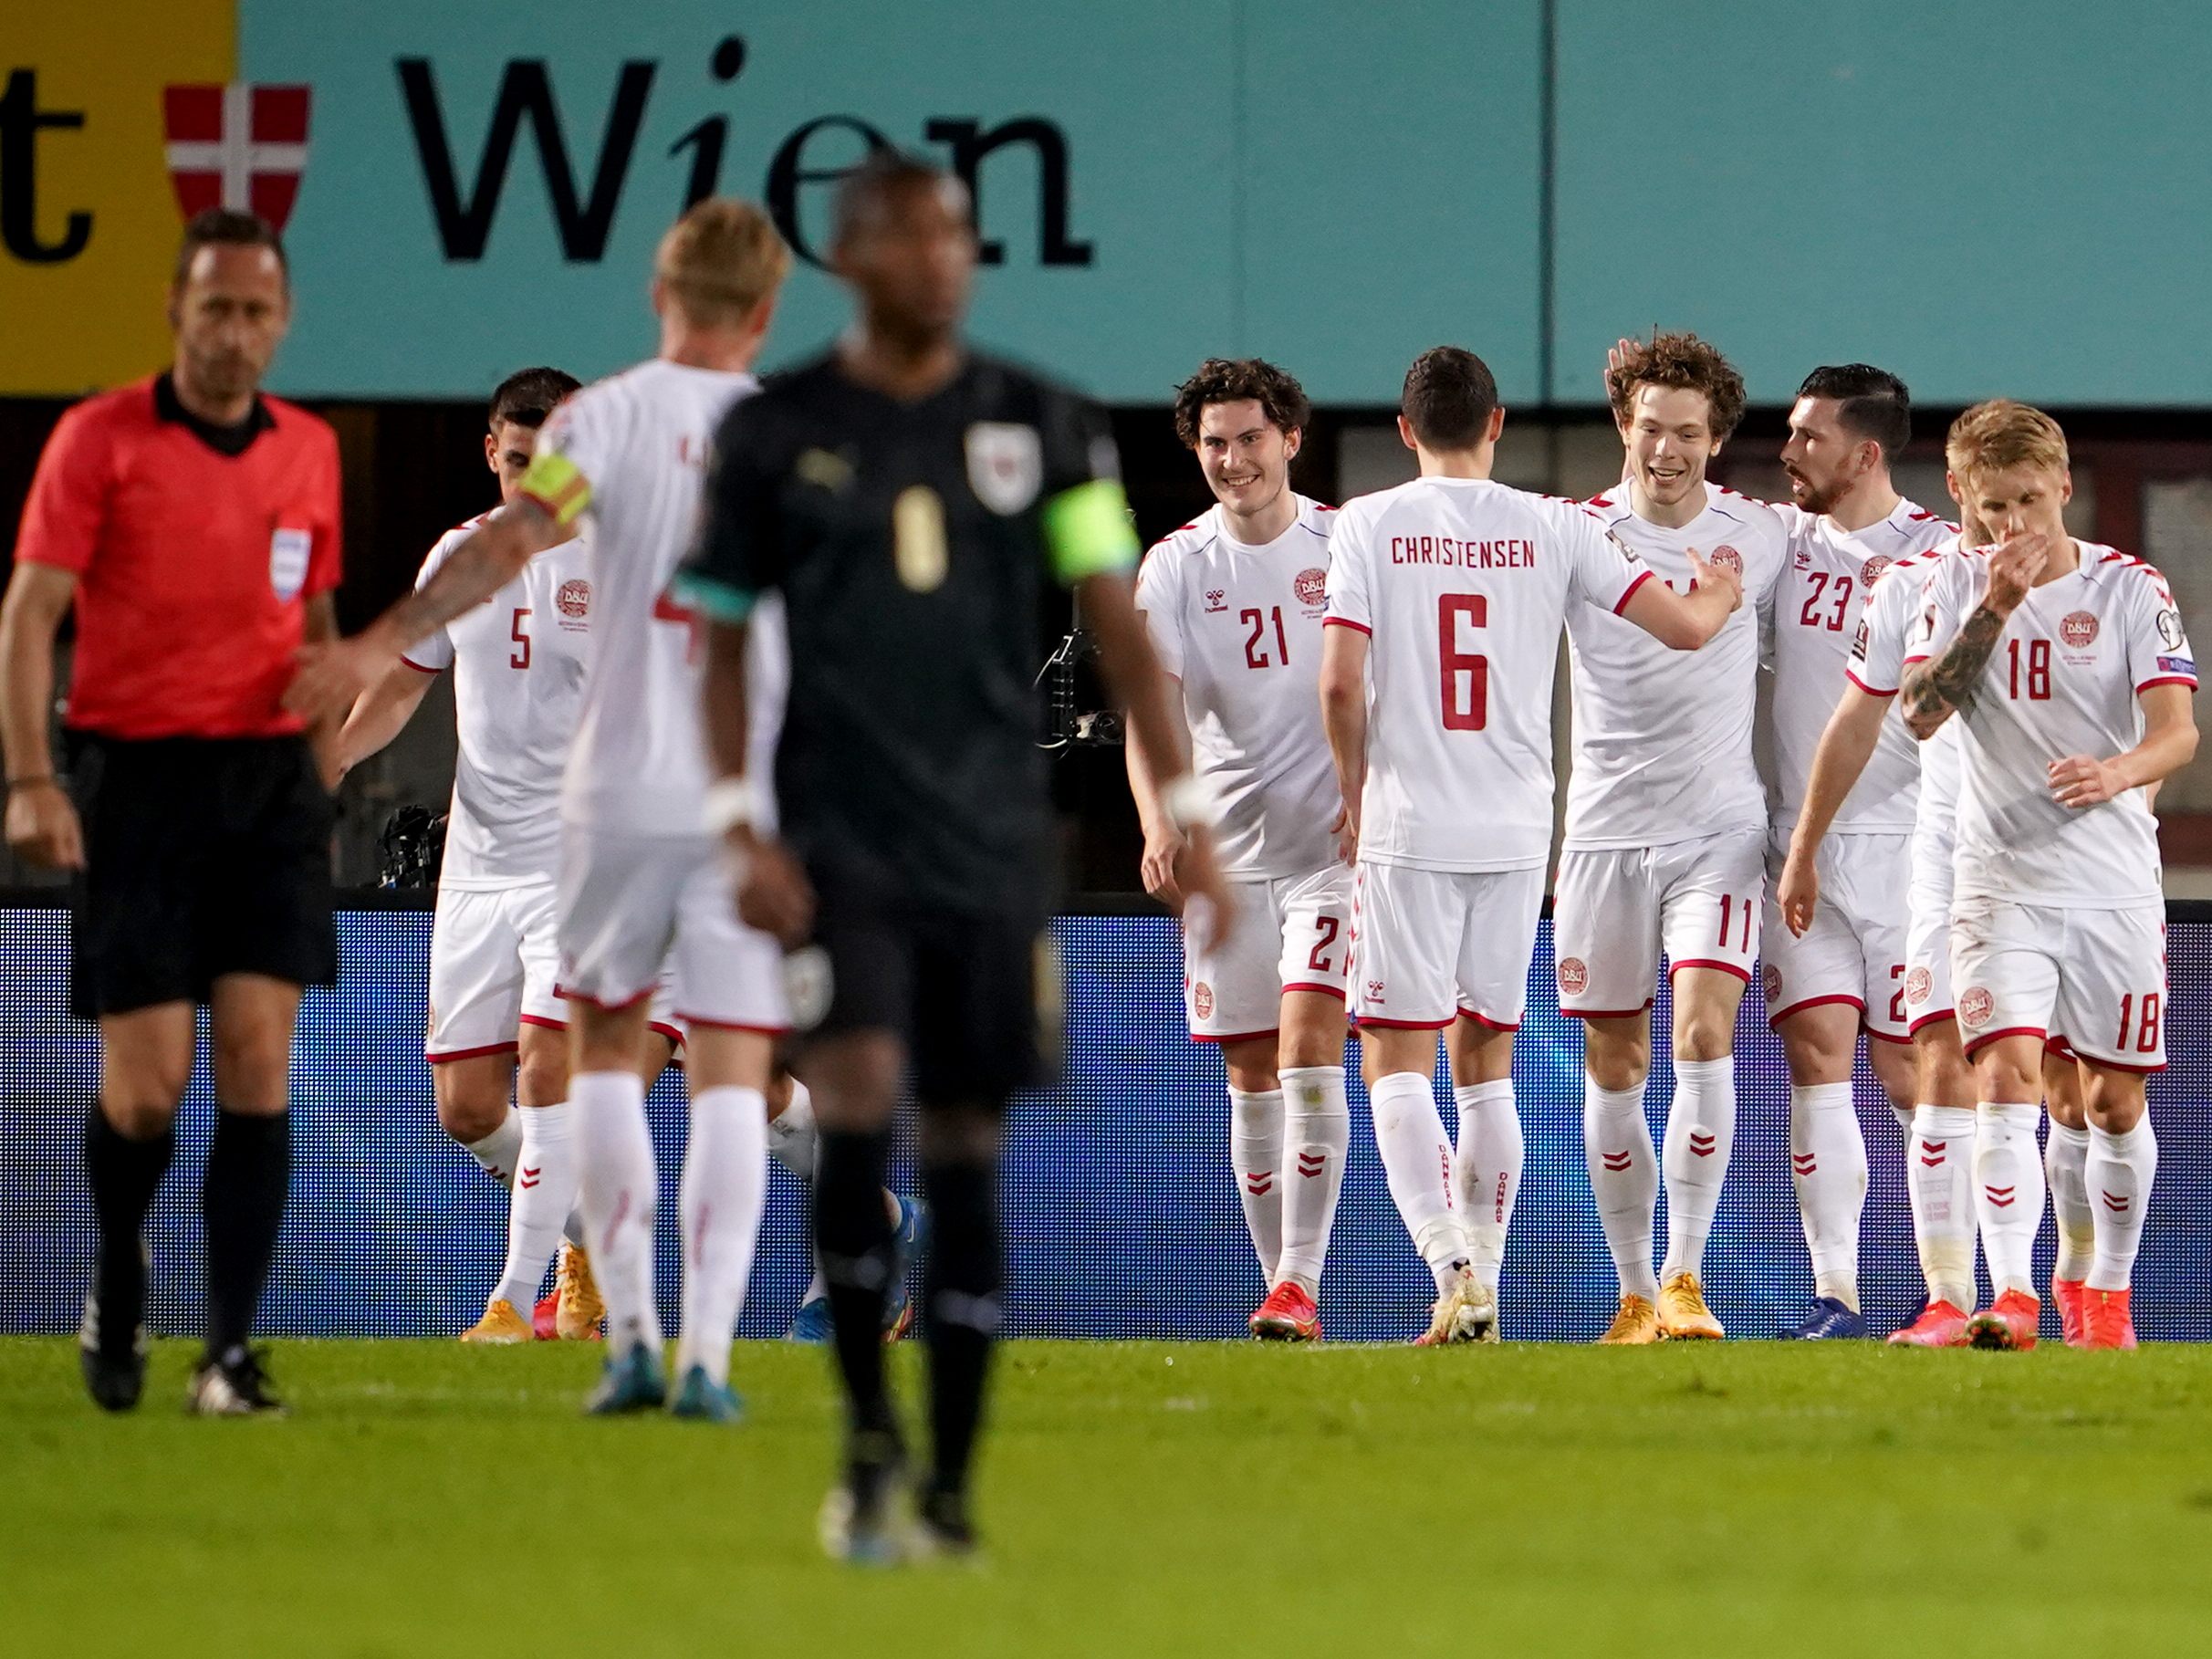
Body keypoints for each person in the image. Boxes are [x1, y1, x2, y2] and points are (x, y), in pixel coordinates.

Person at [672, 151, 1230, 1561]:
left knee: (971, 1143)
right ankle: (867, 1445)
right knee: (857, 1107)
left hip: (990, 844)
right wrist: (738, 817)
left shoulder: (1044, 423)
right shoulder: (773, 433)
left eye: (958, 238)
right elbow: (721, 637)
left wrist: (1190, 813)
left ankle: (956, 1486)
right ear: (851, 256)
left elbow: (1123, 627)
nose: (942, 260)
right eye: (911, 238)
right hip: (833, 838)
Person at [287, 198, 848, 1417]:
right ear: (766, 311)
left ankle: (599, 1322)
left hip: (619, 809)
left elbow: (528, 539)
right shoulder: (781, 425)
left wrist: (365, 642)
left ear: (660, 294)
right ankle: (689, 1353)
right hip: (710, 794)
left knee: (595, 1066)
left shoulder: (616, 423)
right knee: (688, 1073)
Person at [1316, 346, 1740, 1346]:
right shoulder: (1555, 524)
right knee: (1486, 1063)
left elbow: (1338, 684)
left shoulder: (1369, 524)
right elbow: (1683, 628)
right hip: (1517, 828)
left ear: (1406, 429)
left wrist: (1352, 789)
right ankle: (1489, 1285)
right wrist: (1720, 586)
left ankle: (1452, 1265)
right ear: (1497, 425)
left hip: (1411, 823)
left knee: (1394, 1061)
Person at [1, 208, 341, 1414]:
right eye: (215, 309)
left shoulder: (310, 449)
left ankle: (229, 1356)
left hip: (264, 786)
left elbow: (310, 625)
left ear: (282, 321)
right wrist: (32, 779)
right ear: (175, 309)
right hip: (132, 780)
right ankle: (115, 1275)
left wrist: (327, 745)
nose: (234, 333)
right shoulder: (99, 438)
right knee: (146, 1087)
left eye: (256, 312)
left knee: (259, 1060)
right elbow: (31, 611)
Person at [334, 365, 683, 1343]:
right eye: (520, 460)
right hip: (479, 863)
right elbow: (402, 687)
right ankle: (594, 1244)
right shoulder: (461, 557)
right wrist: (327, 758)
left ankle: (506, 1300)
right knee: (467, 1109)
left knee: (547, 1067)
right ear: (494, 453)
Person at [1901, 400, 2195, 1351]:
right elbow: (1917, 713)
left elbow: (2178, 731)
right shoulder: (1950, 584)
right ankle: (2013, 1296)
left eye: (2030, 500)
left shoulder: (2129, 591)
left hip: (2110, 881)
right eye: (1993, 507)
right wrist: (1993, 604)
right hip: (1998, 880)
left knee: (2111, 1102)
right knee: (2007, 1081)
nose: (2013, 525)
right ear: (1962, 498)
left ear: (2064, 488)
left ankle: (2103, 1295)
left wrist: (2116, 772)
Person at [1559, 333, 1786, 1343]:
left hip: (1718, 831)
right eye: (1651, 428)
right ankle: (1634, 1290)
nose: (1666, 451)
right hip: (1603, 833)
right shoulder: (1572, 533)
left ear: (1717, 437)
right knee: (1617, 1067)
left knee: (1704, 1037)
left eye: (1688, 434)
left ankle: (1690, 1280)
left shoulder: (1764, 533)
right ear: (1624, 423)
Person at [1131, 357, 1348, 1342]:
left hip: (1330, 851)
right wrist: (1158, 822)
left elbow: (1387, 690)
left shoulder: (1345, 544)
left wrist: (1374, 792)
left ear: (1291, 438)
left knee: (1311, 1052)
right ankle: (1284, 1298)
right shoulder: (1176, 563)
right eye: (1215, 443)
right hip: (1228, 855)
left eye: (1250, 438)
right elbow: (1153, 710)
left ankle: (1300, 1277)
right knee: (1251, 1075)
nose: (1233, 459)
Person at [1760, 365, 1956, 1337]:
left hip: (1914, 852)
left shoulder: (1943, 552)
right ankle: (1833, 1291)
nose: (1789, 452)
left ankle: (1949, 1285)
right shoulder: (1775, 544)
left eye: (1809, 438)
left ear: (1866, 452)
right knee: (1817, 1055)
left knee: (1912, 1074)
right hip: (1798, 847)